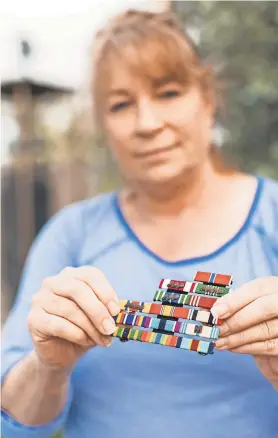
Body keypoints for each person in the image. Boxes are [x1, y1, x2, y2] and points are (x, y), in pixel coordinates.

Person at [1, 9, 278, 438]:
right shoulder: (70, 234)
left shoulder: (271, 215)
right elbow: (15, 420)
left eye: (168, 93)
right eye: (121, 104)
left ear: (207, 101)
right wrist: (47, 366)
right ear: (104, 126)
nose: (147, 124)